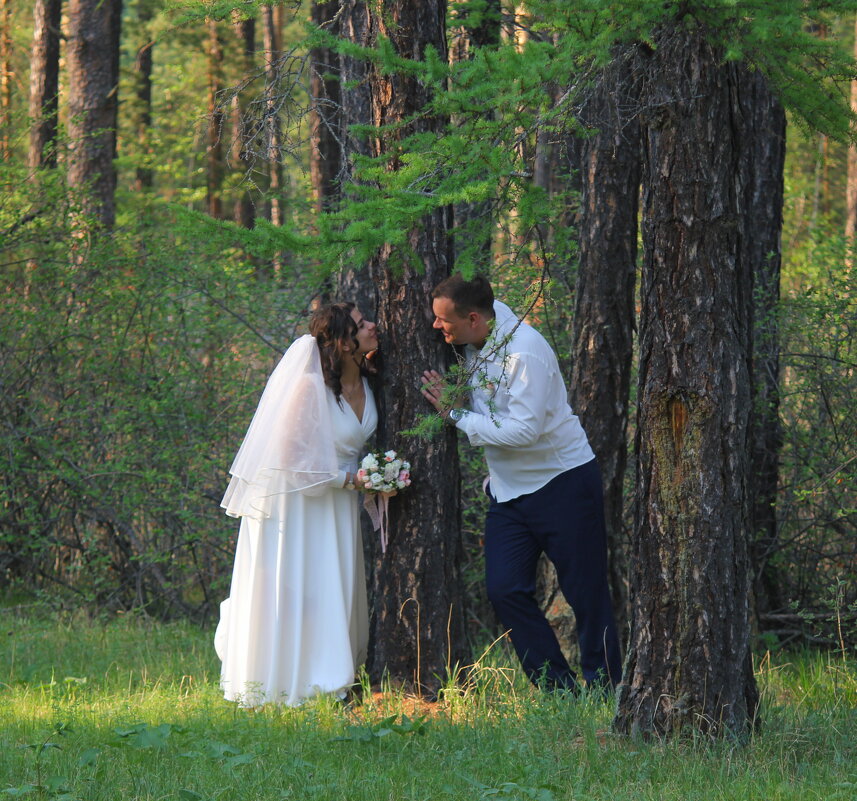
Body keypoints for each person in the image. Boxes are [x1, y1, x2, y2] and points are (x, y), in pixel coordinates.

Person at [421, 274, 622, 691]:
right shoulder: (473, 343)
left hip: (563, 483)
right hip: (509, 492)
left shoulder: (524, 352)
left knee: (586, 594)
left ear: (474, 318)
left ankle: (605, 688)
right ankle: (558, 690)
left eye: (444, 321)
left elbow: (522, 432)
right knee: (505, 590)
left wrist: (455, 415)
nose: (436, 327)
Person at [215, 302, 379, 706]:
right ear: (343, 342)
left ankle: (334, 673)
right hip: (300, 507)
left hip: (338, 504)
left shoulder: (369, 380)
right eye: (362, 324)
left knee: (332, 582)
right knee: (301, 585)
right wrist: (353, 480)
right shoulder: (309, 388)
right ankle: (293, 680)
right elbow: (290, 459)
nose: (373, 325)